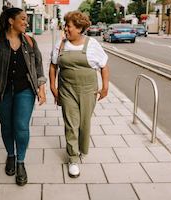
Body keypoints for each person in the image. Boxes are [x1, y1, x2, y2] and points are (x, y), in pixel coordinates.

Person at [0, 7, 46, 186]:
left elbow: (38, 66)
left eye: (26, 19)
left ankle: (20, 162)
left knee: (21, 126)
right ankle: (10, 155)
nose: (26, 22)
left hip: (25, 90)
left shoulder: (30, 42)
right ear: (11, 21)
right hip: (1, 91)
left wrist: (41, 88)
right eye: (23, 19)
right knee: (7, 126)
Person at [49, 11, 110, 178]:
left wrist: (105, 87)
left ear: (79, 28)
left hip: (88, 91)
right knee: (71, 124)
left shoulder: (92, 44)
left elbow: (104, 66)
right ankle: (73, 158)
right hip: (67, 90)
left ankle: (82, 149)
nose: (66, 30)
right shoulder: (60, 44)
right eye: (66, 26)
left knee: (84, 123)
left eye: (69, 27)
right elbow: (53, 65)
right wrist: (53, 87)